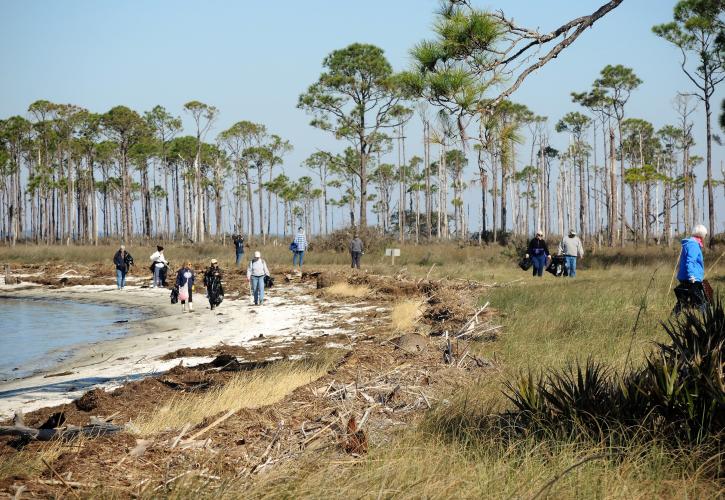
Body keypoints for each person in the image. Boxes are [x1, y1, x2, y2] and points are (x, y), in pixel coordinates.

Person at [673, 224, 708, 316]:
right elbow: (690, 261)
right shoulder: (693, 245)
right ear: (702, 234)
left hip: (686, 276)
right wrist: (692, 275)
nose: (705, 236)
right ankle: (708, 320)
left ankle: (673, 317)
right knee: (701, 301)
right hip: (692, 278)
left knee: (682, 300)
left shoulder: (690, 243)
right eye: (705, 234)